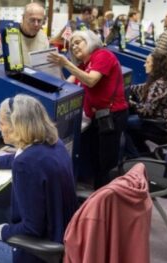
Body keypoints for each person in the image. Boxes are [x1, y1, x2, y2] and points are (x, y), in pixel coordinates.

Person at [0, 94, 78, 263]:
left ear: (17, 126)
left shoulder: (26, 165)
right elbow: (18, 157)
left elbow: (32, 228)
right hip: (60, 228)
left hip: (36, 251)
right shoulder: (53, 143)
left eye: (1, 123)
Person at [48, 30, 128, 189]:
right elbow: (67, 85)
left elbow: (91, 80)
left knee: (104, 164)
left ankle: (104, 203)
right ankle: (97, 197)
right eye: (72, 45)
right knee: (95, 160)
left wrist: (67, 64)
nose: (74, 47)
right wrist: (55, 70)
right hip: (99, 117)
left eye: (78, 42)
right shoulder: (86, 63)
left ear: (90, 41)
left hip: (111, 116)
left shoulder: (102, 55)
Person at [125, 52, 167, 156]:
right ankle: (144, 153)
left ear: (156, 66)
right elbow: (138, 88)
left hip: (158, 125)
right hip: (160, 121)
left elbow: (146, 111)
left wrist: (129, 102)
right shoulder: (161, 80)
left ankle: (135, 156)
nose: (144, 65)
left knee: (123, 124)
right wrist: (124, 88)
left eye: (147, 62)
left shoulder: (159, 86)